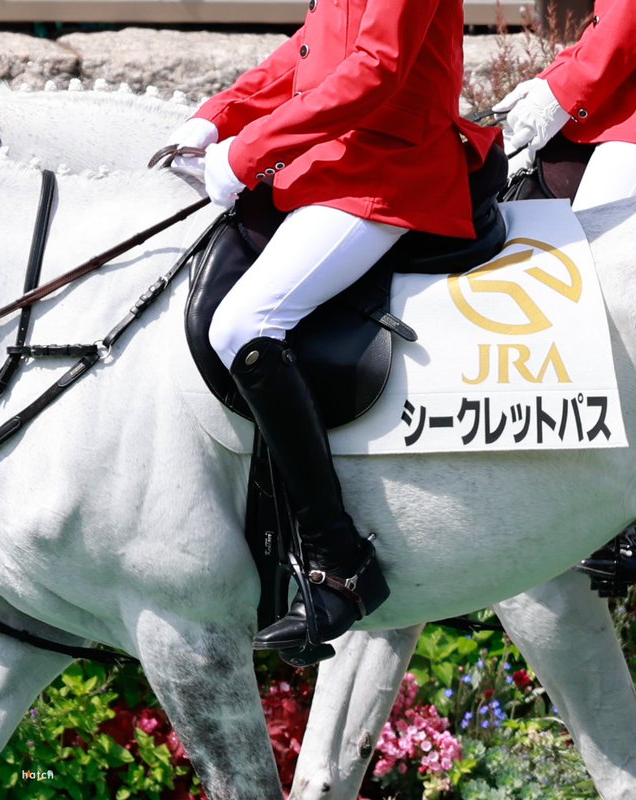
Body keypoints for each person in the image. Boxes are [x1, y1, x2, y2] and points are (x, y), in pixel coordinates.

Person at [165, 0, 499, 651]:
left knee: (243, 324)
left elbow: (377, 68)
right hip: (330, 160)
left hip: (386, 170)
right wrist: (215, 117)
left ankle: (339, 561)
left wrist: (250, 150)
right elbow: (313, 50)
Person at [493, 0, 636, 211]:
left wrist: (564, 89)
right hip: (610, 88)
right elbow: (610, 19)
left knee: (594, 230)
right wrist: (553, 78)